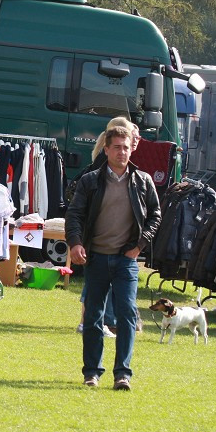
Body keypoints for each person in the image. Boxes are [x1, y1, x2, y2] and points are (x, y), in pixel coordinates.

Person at [65, 126, 161, 391]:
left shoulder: (143, 181)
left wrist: (139, 245)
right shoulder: (90, 180)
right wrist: (75, 243)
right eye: (116, 147)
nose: (122, 152)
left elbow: (155, 215)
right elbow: (74, 215)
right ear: (106, 149)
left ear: (132, 150)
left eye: (126, 147)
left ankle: (123, 375)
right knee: (93, 316)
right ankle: (92, 373)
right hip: (96, 258)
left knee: (126, 315)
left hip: (126, 261)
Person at [76, 117, 141, 335]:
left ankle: (98, 322)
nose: (135, 142)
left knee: (100, 286)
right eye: (134, 136)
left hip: (110, 243)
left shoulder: (128, 171)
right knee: (94, 286)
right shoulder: (99, 169)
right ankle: (88, 322)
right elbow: (79, 210)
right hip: (96, 239)